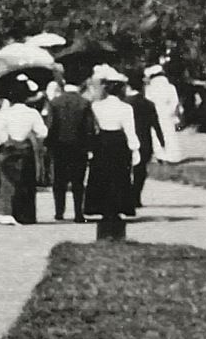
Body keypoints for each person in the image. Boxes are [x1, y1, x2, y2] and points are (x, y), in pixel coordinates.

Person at [84, 65, 140, 242]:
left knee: (101, 177)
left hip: (102, 143)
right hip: (118, 144)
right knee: (119, 178)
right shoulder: (125, 108)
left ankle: (103, 210)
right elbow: (130, 131)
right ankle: (116, 210)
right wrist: (135, 149)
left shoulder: (96, 106)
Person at [0, 88, 47, 225]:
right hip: (26, 150)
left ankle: (6, 212)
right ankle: (26, 215)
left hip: (9, 149)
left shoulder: (5, 114)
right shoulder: (32, 113)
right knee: (27, 182)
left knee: (7, 181)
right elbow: (42, 132)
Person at [45, 79, 95, 222]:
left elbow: (51, 125)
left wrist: (49, 145)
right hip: (79, 146)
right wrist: (90, 147)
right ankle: (78, 213)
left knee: (59, 181)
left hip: (59, 146)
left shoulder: (55, 102)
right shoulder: (84, 103)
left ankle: (59, 212)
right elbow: (89, 128)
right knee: (78, 181)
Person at [126, 70, 164, 208]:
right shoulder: (148, 104)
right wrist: (162, 142)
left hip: (128, 141)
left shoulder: (125, 102)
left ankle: (127, 196)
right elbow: (156, 125)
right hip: (145, 141)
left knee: (127, 170)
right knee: (140, 171)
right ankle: (136, 196)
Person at [144, 64, 185, 161]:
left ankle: (160, 155)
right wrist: (171, 112)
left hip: (156, 113)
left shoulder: (149, 88)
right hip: (167, 114)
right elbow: (175, 101)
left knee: (156, 135)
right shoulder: (170, 87)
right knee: (169, 134)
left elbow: (148, 101)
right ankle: (172, 155)